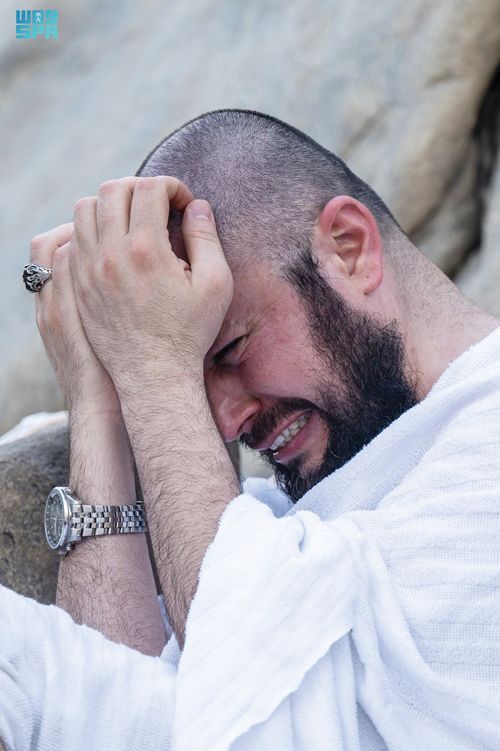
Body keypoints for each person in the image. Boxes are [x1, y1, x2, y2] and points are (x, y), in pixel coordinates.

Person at [2, 108, 500, 750]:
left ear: (349, 248)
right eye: (193, 379)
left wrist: (157, 369)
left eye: (232, 349)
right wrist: (98, 402)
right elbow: (106, 713)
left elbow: (263, 725)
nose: (224, 422)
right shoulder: (276, 514)